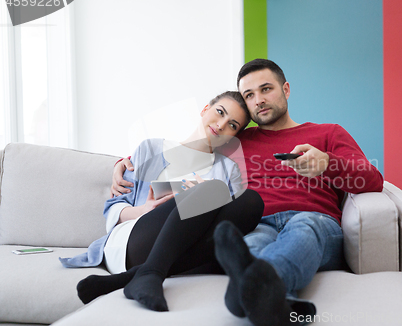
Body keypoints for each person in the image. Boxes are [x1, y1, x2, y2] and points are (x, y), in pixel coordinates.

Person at [113, 60, 384, 326]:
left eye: (266, 89)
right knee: (249, 247)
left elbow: (373, 179)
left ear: (286, 89)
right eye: (249, 95)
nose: (258, 100)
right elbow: (190, 150)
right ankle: (268, 300)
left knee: (304, 226)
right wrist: (127, 163)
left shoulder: (327, 133)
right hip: (257, 222)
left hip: (315, 220)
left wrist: (327, 162)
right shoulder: (236, 139)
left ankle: (254, 290)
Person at [60, 91, 264, 312]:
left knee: (252, 202)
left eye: (233, 125)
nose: (222, 124)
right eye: (220, 112)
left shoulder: (228, 169)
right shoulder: (151, 149)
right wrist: (144, 210)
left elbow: (224, 228)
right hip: (134, 241)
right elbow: (113, 209)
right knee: (212, 189)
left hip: (183, 253)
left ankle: (138, 276)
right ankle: (148, 272)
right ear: (205, 109)